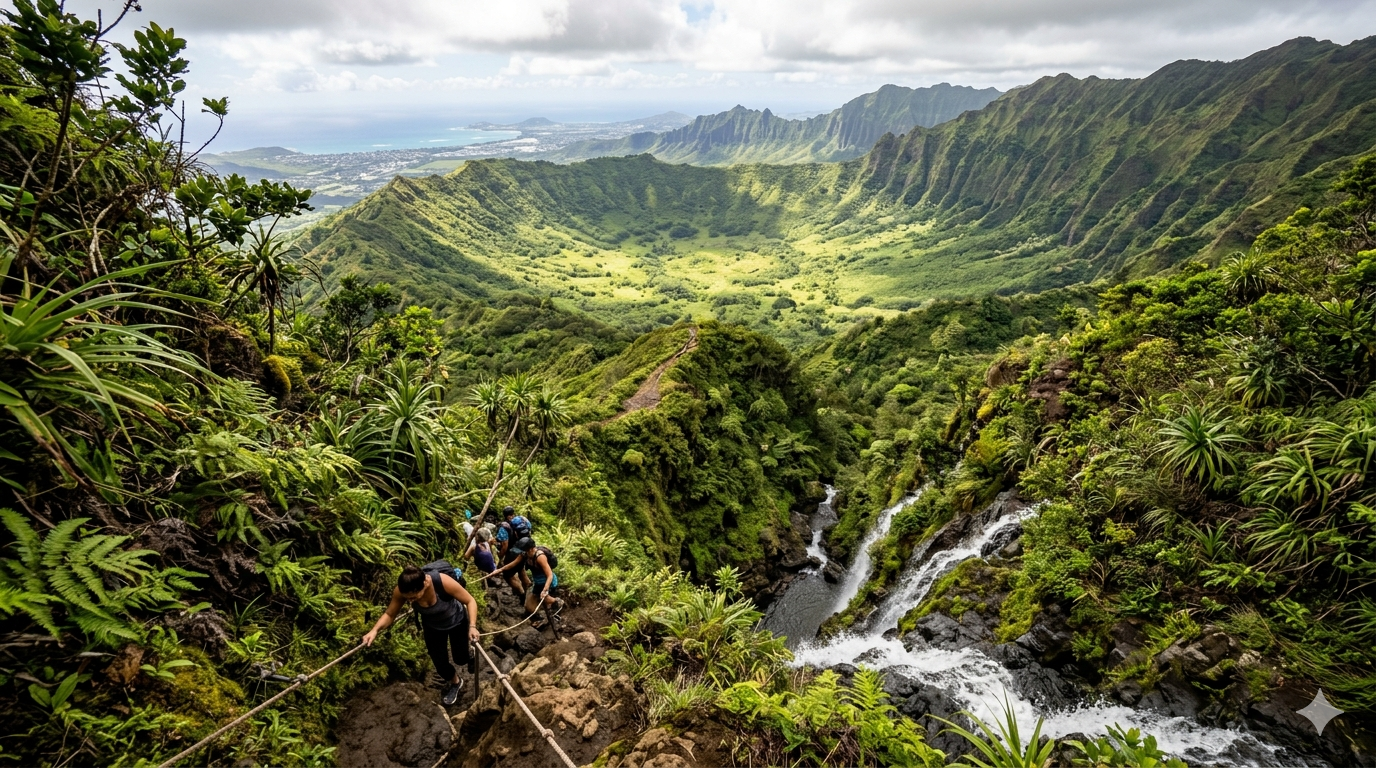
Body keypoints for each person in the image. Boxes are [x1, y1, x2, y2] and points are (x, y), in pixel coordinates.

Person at [363, 564, 479, 706]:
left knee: (460, 659)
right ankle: (456, 682)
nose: (411, 601)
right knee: (440, 664)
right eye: (408, 598)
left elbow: (470, 600)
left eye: (413, 597)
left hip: (456, 621)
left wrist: (472, 627)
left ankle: (469, 654)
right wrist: (374, 630)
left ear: (425, 584)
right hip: (432, 627)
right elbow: (390, 614)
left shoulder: (442, 582)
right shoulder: (401, 591)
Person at [486, 537, 564, 628]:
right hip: (538, 584)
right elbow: (513, 563)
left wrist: (545, 589)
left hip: (548, 582)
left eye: (525, 550)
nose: (523, 552)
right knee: (529, 607)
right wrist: (499, 570)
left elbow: (549, 575)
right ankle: (542, 617)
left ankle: (557, 601)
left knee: (545, 598)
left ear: (531, 549)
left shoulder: (540, 557)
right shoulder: (525, 554)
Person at [493, 506, 530, 596]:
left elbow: (505, 546)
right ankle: (529, 590)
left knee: (507, 575)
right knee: (521, 569)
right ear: (513, 513)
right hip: (526, 549)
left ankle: (522, 594)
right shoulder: (523, 520)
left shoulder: (504, 527)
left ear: (504, 515)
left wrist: (500, 557)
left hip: (513, 553)